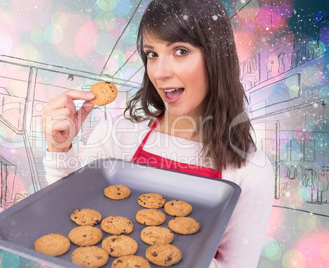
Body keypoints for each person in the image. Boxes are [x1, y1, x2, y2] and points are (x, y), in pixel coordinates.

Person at [42, 0, 274, 267]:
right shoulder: (115, 137)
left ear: (215, 57)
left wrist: (173, 252)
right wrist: (59, 151)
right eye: (152, 54)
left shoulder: (250, 169)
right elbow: (69, 236)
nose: (160, 72)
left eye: (180, 51)